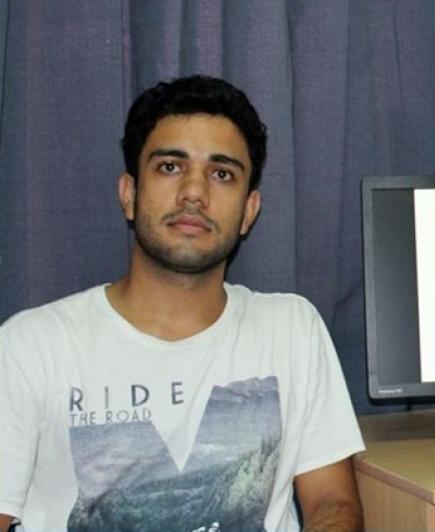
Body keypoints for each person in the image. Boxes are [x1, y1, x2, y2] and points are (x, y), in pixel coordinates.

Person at [0, 76, 364, 531]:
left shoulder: (292, 328)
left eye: (222, 173)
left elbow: (334, 504)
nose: (195, 192)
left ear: (249, 211)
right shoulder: (29, 346)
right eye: (171, 167)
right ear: (130, 195)